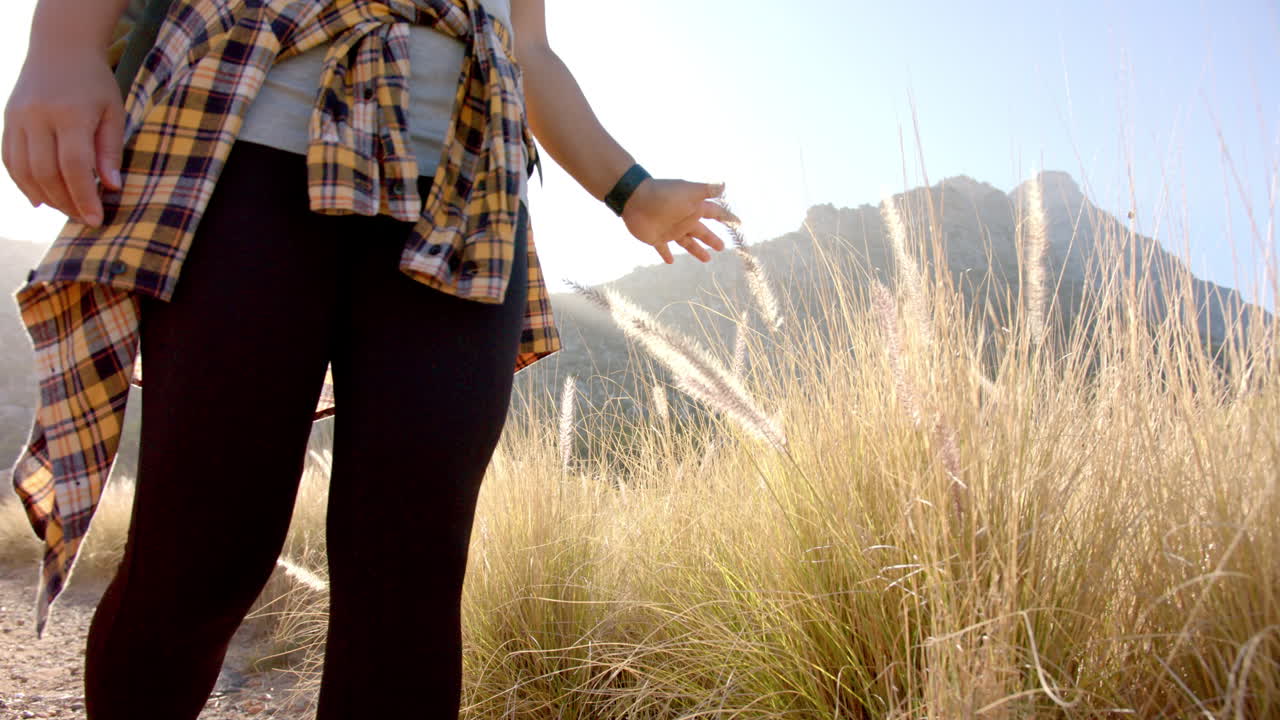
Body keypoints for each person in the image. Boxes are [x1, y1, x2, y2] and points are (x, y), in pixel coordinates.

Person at [3, 0, 738, 717]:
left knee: (411, 573)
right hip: (242, 147)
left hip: (467, 192)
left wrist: (631, 191)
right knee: (204, 552)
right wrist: (61, 45)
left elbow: (529, 45)